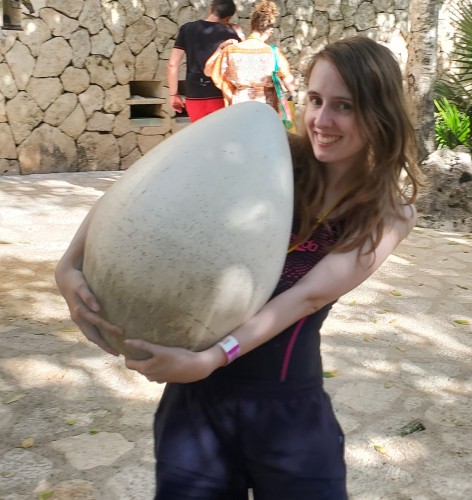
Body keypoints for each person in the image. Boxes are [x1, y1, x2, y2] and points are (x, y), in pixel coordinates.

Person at [55, 36, 421, 499]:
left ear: (380, 113)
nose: (321, 121)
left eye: (343, 106)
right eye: (314, 100)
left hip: (285, 409)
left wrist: (211, 358)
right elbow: (141, 191)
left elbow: (308, 295)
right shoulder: (269, 158)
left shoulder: (387, 215)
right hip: (195, 402)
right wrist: (67, 268)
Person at [204, 0, 295, 110]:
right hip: (265, 107)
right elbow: (288, 80)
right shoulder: (273, 53)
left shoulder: (230, 51)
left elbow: (209, 71)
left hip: (239, 106)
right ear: (270, 30)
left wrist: (220, 49)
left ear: (250, 25)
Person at [167, 0, 241, 123]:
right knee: (221, 137)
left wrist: (173, 95)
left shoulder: (187, 29)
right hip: (219, 95)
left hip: (194, 95)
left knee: (199, 137)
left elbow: (172, 64)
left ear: (211, 9)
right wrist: (240, 35)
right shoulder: (230, 34)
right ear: (228, 18)